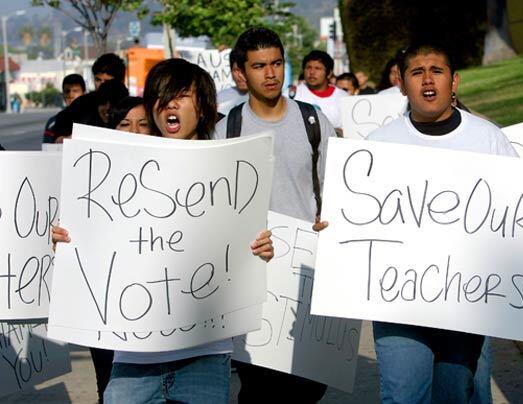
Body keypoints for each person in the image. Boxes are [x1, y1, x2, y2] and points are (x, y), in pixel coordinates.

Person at [53, 57, 274, 404]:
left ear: (203, 107)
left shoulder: (231, 168)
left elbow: (248, 249)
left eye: (182, 95)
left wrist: (262, 249)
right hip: (133, 357)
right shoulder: (118, 168)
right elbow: (91, 244)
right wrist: (68, 242)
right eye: (162, 95)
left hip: (205, 353)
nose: (170, 104)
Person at [363, 40, 523, 404]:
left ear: (455, 81)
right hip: (398, 304)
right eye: (416, 73)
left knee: (460, 395)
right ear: (401, 85)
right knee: (404, 397)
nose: (427, 80)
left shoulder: (489, 140)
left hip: (468, 304)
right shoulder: (378, 145)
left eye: (436, 71)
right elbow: (356, 219)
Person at [215, 27, 337, 404]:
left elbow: (335, 190)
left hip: (306, 272)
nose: (270, 74)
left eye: (276, 63)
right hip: (253, 274)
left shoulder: (313, 122)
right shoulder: (225, 130)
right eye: (258, 66)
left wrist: (329, 222)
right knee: (259, 385)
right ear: (240, 73)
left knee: (309, 385)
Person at [294, 49, 348, 130]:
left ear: (329, 73)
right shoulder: (292, 95)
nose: (312, 72)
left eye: (317, 68)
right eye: (308, 67)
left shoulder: (344, 97)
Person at [43, 73, 87, 143]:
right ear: (63, 94)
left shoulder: (95, 117)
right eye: (67, 91)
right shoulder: (53, 122)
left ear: (84, 93)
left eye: (75, 91)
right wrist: (66, 140)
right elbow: (47, 147)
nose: (71, 95)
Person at [216, 50, 249, 115]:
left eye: (244, 70)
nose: (240, 75)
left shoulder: (266, 97)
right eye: (236, 70)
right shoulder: (219, 98)